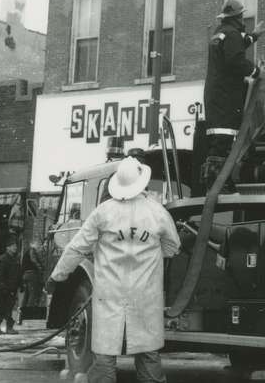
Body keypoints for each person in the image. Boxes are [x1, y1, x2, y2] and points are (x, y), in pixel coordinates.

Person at [48, 156, 181, 383]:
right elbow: (173, 247)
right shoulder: (157, 212)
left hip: (109, 296)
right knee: (148, 353)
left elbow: (77, 248)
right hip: (146, 296)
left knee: (105, 356)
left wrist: (57, 276)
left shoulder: (103, 212)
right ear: (143, 183)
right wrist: (149, 256)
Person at [202, 0, 264, 191]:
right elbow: (235, 59)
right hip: (226, 96)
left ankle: (216, 181)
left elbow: (233, 47)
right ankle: (217, 183)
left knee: (219, 140)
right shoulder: (233, 34)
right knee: (224, 140)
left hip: (215, 95)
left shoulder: (219, 33)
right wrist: (256, 72)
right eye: (241, 17)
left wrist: (253, 37)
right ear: (237, 17)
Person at [0, 235, 21, 335]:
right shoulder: (3, 259)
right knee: (6, 308)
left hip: (12, 288)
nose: (15, 248)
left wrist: (20, 284)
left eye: (15, 246)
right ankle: (8, 328)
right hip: (6, 288)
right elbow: (0, 275)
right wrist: (3, 287)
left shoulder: (14, 259)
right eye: (13, 246)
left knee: (5, 308)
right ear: (7, 248)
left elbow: (17, 273)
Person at [20, 240, 45, 308]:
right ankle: (29, 313)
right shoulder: (32, 250)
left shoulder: (27, 252)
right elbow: (34, 260)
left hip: (26, 275)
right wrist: (40, 268)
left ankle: (22, 312)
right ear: (33, 244)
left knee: (27, 295)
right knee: (33, 295)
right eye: (38, 244)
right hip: (32, 275)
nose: (39, 246)